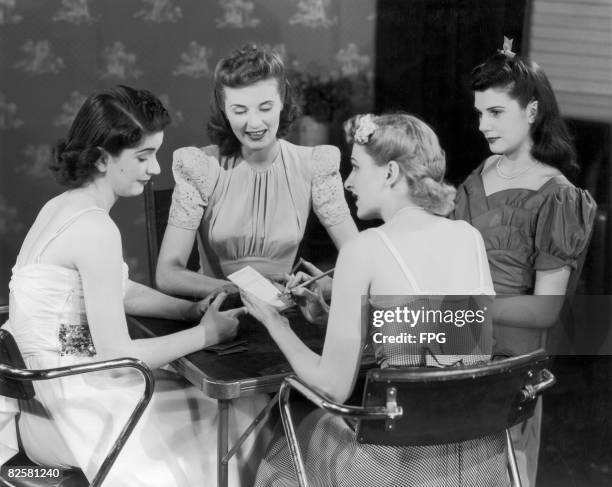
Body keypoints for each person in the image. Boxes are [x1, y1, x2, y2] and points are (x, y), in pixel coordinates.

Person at [0, 85, 262, 487]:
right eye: (144, 156)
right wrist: (205, 333)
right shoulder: (95, 228)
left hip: (41, 405)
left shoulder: (61, 207)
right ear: (103, 159)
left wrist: (186, 309)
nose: (155, 169)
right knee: (241, 410)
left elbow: (114, 290)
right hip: (71, 420)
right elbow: (119, 353)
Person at [242, 113, 509, 486]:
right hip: (478, 463)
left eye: (354, 167)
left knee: (289, 450)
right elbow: (448, 342)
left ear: (390, 173)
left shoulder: (364, 249)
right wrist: (335, 316)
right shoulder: (468, 237)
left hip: (395, 470)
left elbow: (332, 387)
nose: (347, 182)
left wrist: (276, 323)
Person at [452, 39, 597, 487]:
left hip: (508, 362)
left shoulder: (557, 195)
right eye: (479, 113)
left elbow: (546, 309)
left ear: (532, 111)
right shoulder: (481, 173)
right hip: (456, 347)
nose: (482, 125)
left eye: (495, 112)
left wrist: (468, 305)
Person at [155, 43, 357, 299]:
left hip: (286, 318)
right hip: (220, 317)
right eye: (239, 110)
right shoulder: (201, 167)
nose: (254, 123)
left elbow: (360, 260)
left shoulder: (314, 165)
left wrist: (321, 287)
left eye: (265, 107)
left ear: (282, 101)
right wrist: (240, 292)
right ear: (224, 110)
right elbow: (167, 275)